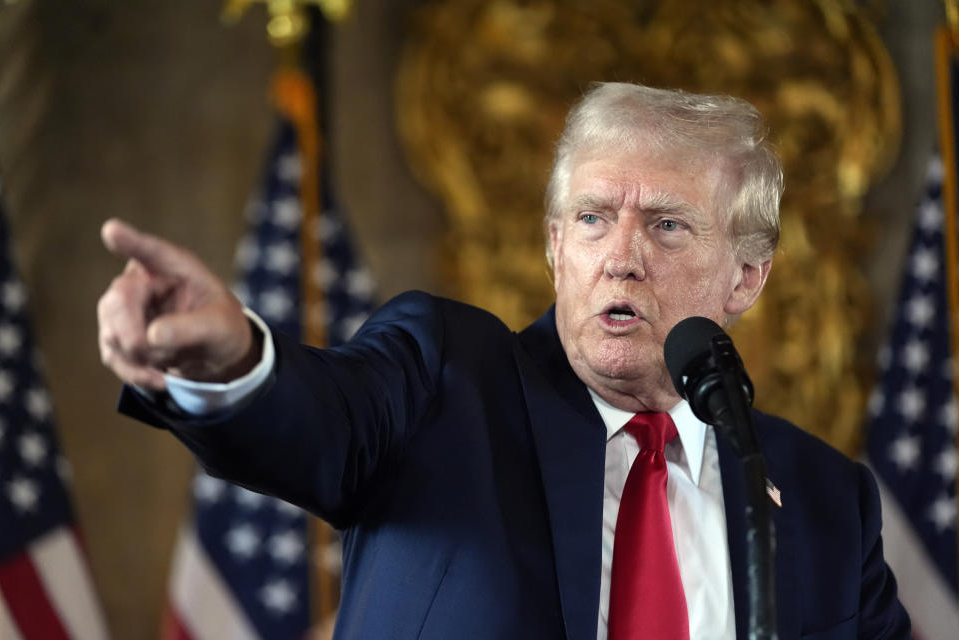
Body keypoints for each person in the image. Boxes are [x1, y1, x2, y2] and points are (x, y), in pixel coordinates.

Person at [98, 82, 910, 639]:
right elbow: (316, 419)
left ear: (746, 275)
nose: (619, 258)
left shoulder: (825, 500)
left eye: (666, 225)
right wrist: (229, 358)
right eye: (592, 219)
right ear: (555, 247)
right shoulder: (444, 381)